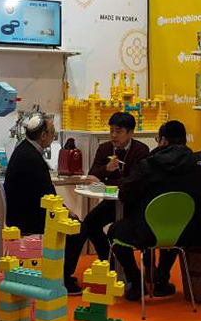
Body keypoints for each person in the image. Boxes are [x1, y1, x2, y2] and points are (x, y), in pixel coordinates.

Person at [108, 120, 201, 301]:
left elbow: (125, 194)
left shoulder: (149, 165)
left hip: (148, 232)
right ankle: (161, 280)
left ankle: (136, 281)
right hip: (192, 231)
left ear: (163, 140)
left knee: (114, 231)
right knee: (173, 223)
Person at [62, 112, 150, 293]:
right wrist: (107, 169)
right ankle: (106, 263)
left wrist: (107, 180)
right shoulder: (104, 148)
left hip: (133, 204)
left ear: (130, 133)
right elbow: (92, 175)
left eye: (118, 131)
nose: (113, 135)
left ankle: (132, 276)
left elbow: (134, 182)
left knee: (117, 232)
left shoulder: (141, 150)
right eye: (111, 131)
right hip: (112, 202)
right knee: (88, 224)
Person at [3, 114, 57, 236]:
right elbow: (49, 196)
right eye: (53, 132)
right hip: (29, 222)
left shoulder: (23, 149)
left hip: (17, 217)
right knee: (79, 230)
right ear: (43, 135)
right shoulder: (32, 158)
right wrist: (68, 212)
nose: (54, 136)